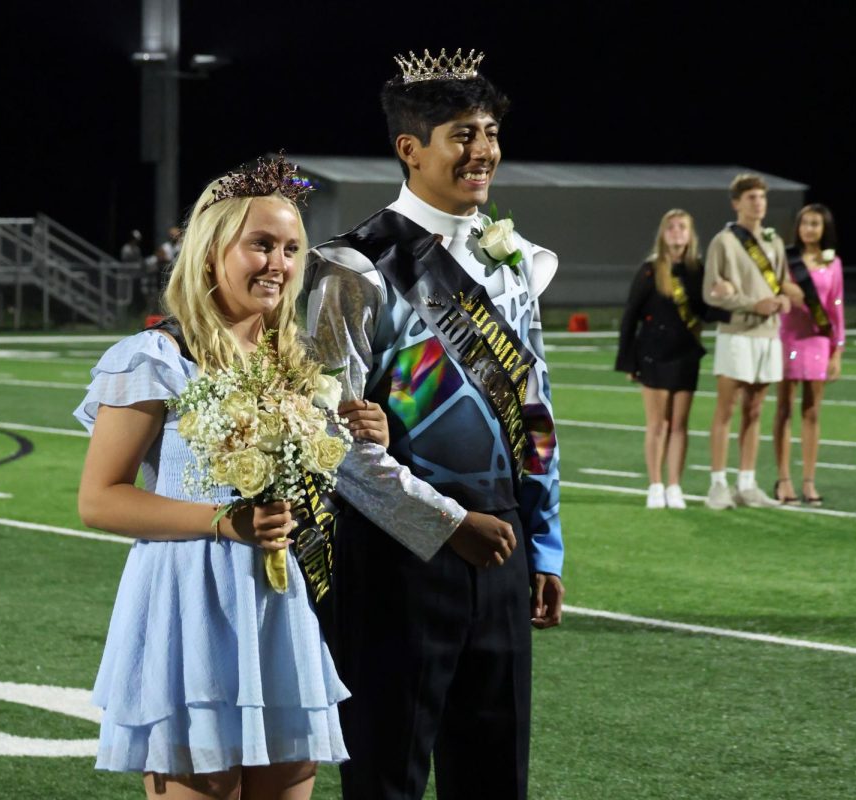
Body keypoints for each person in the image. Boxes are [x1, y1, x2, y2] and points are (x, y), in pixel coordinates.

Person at [75, 155, 389, 800]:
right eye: (261, 244)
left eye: (293, 248)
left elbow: (323, 483)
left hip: (279, 603)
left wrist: (362, 435)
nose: (279, 263)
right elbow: (99, 500)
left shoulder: (299, 362)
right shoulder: (155, 357)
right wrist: (222, 521)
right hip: (190, 603)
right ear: (212, 251)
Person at [303, 48, 564, 799]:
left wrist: (543, 544)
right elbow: (332, 436)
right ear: (409, 149)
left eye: (488, 131)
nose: (483, 151)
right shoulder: (351, 268)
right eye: (462, 134)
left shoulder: (514, 261)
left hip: (504, 545)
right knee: (388, 771)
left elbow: (536, 411)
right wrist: (447, 525)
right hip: (397, 554)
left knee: (494, 773)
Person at [702, 173, 804, 509]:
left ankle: (747, 483)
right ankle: (718, 484)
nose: (758, 203)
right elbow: (710, 294)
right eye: (751, 198)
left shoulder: (774, 241)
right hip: (737, 334)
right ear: (737, 203)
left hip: (768, 334)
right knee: (727, 409)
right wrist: (751, 304)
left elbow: (781, 284)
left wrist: (786, 297)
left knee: (756, 409)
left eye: (761, 197)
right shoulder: (725, 241)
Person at [615, 209, 730, 508]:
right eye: (671, 228)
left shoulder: (698, 270)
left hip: (686, 354)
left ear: (691, 235)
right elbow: (630, 317)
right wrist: (628, 361)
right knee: (658, 424)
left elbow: (706, 313)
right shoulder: (651, 270)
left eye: (683, 227)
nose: (677, 232)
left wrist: (725, 298)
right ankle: (655, 484)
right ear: (663, 235)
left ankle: (674, 486)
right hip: (653, 353)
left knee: (680, 423)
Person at [773, 204, 845, 505]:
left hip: (818, 341)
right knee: (785, 407)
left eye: (815, 224)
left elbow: (837, 306)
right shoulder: (786, 260)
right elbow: (772, 286)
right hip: (789, 339)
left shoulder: (833, 263)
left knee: (812, 410)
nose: (810, 229)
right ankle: (784, 479)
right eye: (805, 223)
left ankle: (809, 481)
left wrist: (837, 350)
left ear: (824, 228)